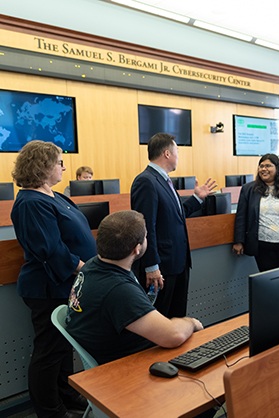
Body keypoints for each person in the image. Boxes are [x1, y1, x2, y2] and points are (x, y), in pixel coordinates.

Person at [10, 141, 97, 418]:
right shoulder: (30, 203)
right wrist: (87, 269)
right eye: (59, 162)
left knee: (63, 349)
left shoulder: (54, 196)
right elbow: (51, 249)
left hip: (67, 285)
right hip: (48, 288)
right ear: (43, 166)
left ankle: (67, 396)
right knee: (49, 352)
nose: (63, 167)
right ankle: (50, 409)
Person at [66, 210, 203, 365]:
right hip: (130, 364)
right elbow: (173, 336)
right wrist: (191, 322)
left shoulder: (92, 265)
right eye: (146, 237)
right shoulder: (118, 290)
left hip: (117, 347)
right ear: (136, 249)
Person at [130, 133, 216, 318]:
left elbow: (175, 215)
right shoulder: (146, 181)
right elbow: (146, 228)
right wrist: (152, 266)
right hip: (162, 267)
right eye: (177, 151)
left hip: (178, 263)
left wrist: (197, 199)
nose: (178, 156)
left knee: (177, 317)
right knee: (161, 321)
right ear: (167, 153)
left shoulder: (164, 180)